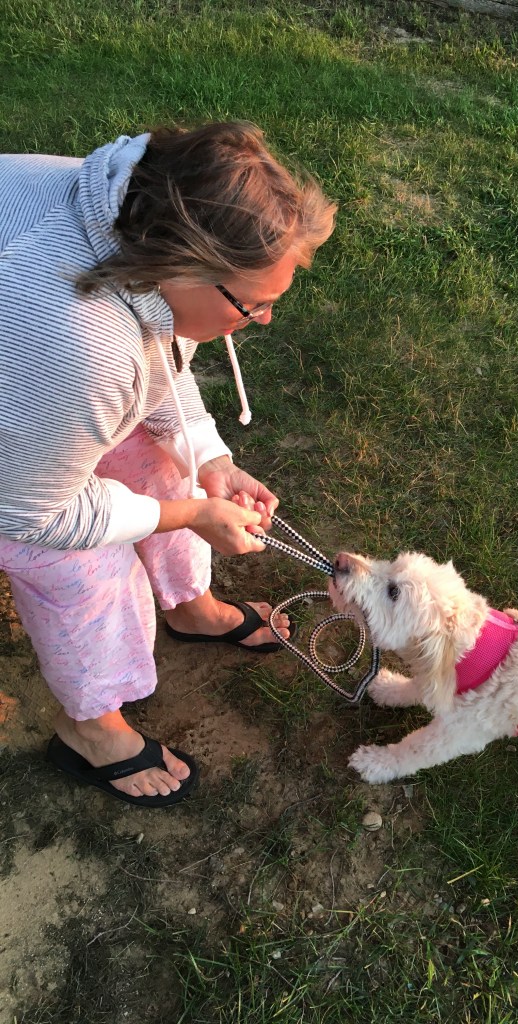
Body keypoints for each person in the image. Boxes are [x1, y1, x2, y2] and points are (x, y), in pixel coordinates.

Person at [0, 121, 337, 806]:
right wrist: (190, 514)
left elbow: (150, 346)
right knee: (85, 567)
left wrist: (210, 460)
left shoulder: (132, 212)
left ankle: (190, 607)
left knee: (162, 458)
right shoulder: (75, 336)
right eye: (255, 305)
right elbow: (31, 511)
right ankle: (90, 729)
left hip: (33, 380)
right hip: (24, 437)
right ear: (186, 265)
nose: (265, 320)